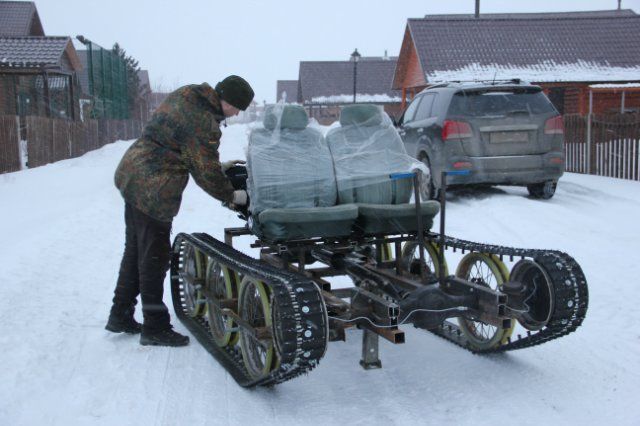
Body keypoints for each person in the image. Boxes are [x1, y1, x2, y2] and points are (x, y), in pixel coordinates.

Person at [105, 75, 254, 347]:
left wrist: (215, 165)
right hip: (154, 187)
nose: (236, 113)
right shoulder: (204, 122)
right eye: (237, 107)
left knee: (136, 250)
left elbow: (185, 147)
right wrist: (232, 194)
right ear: (226, 100)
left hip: (133, 173)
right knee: (154, 257)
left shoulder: (189, 95)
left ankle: (120, 314)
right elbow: (204, 169)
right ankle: (155, 327)